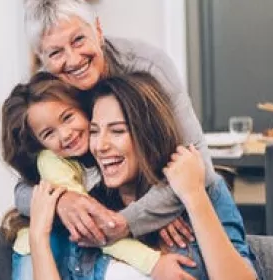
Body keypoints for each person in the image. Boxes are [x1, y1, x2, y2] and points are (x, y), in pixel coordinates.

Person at [27, 74, 260, 280]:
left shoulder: (205, 192)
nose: (100, 146)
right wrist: (38, 238)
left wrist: (193, 195)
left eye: (117, 131)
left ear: (149, 135)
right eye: (95, 132)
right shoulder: (92, 210)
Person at [15, 0, 217, 248]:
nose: (73, 59)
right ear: (42, 58)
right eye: (55, 53)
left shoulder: (148, 66)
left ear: (98, 30)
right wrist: (62, 201)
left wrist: (134, 218)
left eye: (78, 40)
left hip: (170, 202)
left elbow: (200, 167)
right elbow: (22, 191)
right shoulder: (48, 94)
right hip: (107, 207)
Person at [1, 72, 203, 280]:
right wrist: (153, 264)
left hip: (77, 246)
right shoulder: (52, 162)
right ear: (38, 143)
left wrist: (159, 214)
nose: (66, 134)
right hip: (36, 247)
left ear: (83, 109)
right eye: (49, 133)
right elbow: (95, 227)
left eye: (68, 117)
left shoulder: (102, 152)